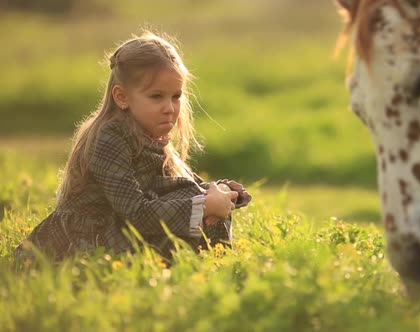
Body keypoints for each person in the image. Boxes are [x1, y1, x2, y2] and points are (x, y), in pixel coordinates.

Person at [14, 31, 252, 261]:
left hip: (125, 226)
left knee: (195, 196)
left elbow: (179, 186)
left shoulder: (152, 135)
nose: (169, 107)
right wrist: (204, 205)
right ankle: (195, 258)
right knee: (195, 204)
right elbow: (136, 213)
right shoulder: (109, 138)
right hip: (90, 237)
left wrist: (220, 192)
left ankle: (216, 259)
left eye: (176, 96)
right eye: (156, 96)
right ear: (122, 97)